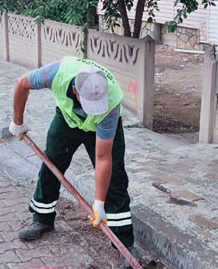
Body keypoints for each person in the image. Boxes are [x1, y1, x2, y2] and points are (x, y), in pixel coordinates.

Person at [10, 56, 134, 250]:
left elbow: (103, 159)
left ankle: (123, 242)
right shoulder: (56, 74)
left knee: (114, 178)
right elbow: (21, 83)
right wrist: (18, 122)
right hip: (67, 120)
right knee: (52, 164)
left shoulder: (111, 101)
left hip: (102, 127)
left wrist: (99, 203)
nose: (92, 111)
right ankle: (42, 219)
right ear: (75, 91)